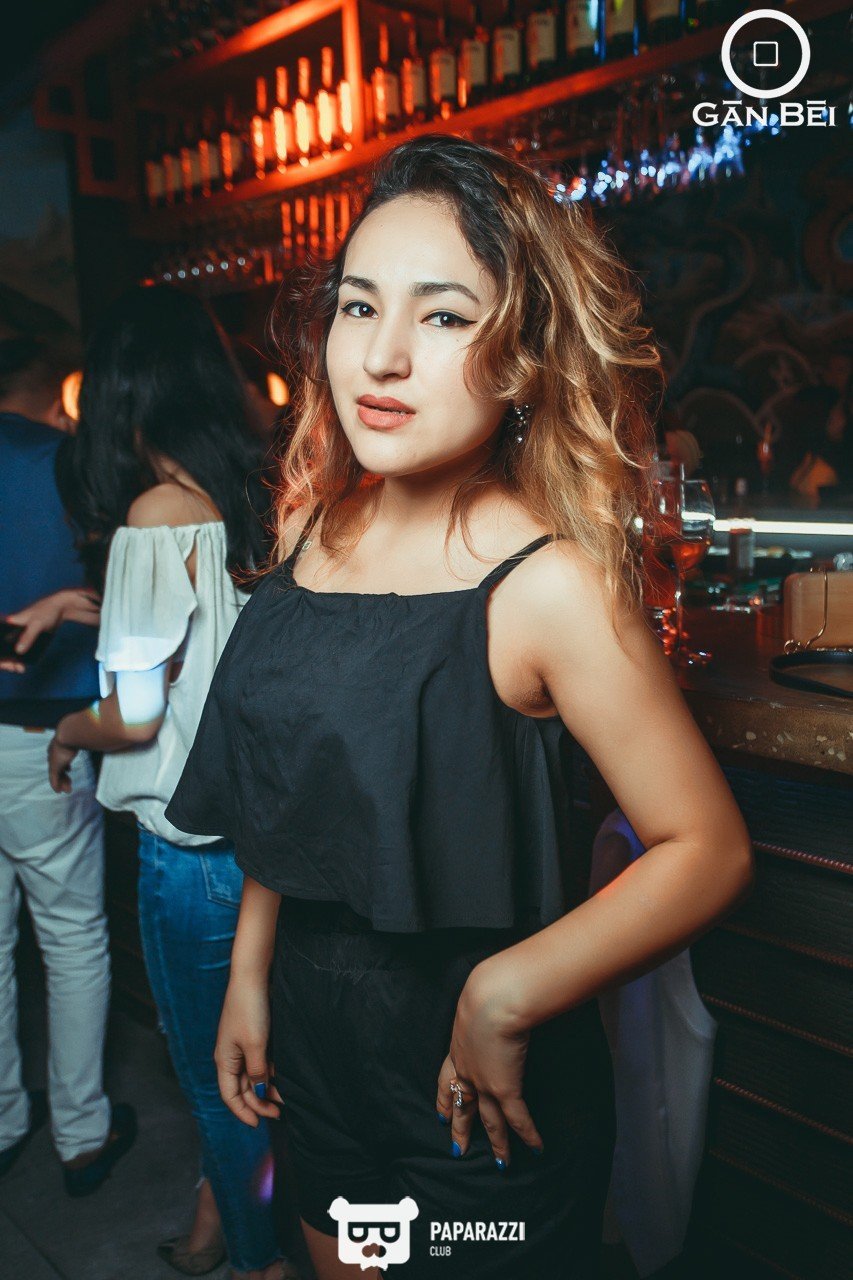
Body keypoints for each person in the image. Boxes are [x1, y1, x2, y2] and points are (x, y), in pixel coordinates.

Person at [166, 135, 754, 1279]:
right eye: (358, 305)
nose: (382, 354)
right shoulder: (309, 530)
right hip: (314, 1049)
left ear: (522, 356)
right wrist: (248, 974)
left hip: (478, 1089)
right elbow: (293, 792)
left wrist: (505, 993)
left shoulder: (547, 581)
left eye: (442, 315)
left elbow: (709, 848)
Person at [31, 289, 292, 1280]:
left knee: (212, 1074)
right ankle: (217, 1219)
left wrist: (68, 728)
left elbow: (135, 714)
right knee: (260, 1063)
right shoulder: (254, 497)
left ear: (121, 391)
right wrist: (89, 608)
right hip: (263, 842)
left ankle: (262, 1260)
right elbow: (203, 638)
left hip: (192, 856)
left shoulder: (154, 514)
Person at [0, 335, 136, 1196]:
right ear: (59, 396)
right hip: (40, 732)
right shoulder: (67, 464)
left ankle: (3, 1120)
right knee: (72, 935)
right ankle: (82, 1134)